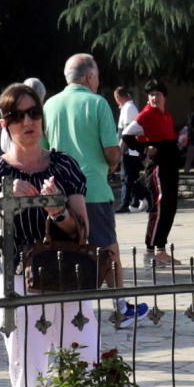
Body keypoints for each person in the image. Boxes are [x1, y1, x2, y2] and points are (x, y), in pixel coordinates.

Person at [0, 80, 98, 387]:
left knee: (82, 370)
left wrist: (57, 210)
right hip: (18, 281)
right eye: (18, 116)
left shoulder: (63, 165)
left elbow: (82, 229)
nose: (28, 122)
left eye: (33, 113)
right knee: (29, 376)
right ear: (5, 124)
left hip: (67, 278)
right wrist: (2, 200)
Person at [42, 52, 127, 296]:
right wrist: (113, 162)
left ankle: (70, 303)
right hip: (94, 189)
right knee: (109, 249)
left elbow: (45, 149)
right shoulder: (97, 103)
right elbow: (111, 151)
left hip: (60, 192)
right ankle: (120, 305)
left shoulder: (49, 104)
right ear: (90, 76)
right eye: (97, 77)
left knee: (67, 250)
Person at [132, 84, 183, 263]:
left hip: (171, 167)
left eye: (158, 94)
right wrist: (145, 148)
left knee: (171, 207)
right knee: (160, 207)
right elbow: (126, 136)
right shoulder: (145, 115)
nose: (154, 98)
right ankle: (150, 251)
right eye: (151, 95)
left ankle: (161, 250)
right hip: (157, 168)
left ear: (164, 97)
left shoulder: (167, 115)